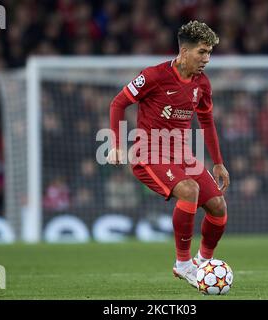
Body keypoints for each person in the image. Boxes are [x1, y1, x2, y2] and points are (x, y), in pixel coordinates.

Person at [107, 21, 230, 288]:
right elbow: (118, 102)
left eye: (209, 53)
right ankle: (183, 264)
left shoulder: (202, 84)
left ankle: (201, 261)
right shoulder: (154, 76)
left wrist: (218, 163)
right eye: (202, 52)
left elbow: (207, 123)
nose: (207, 59)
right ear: (184, 52)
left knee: (219, 209)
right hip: (148, 155)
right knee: (189, 190)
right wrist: (117, 143)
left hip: (182, 155)